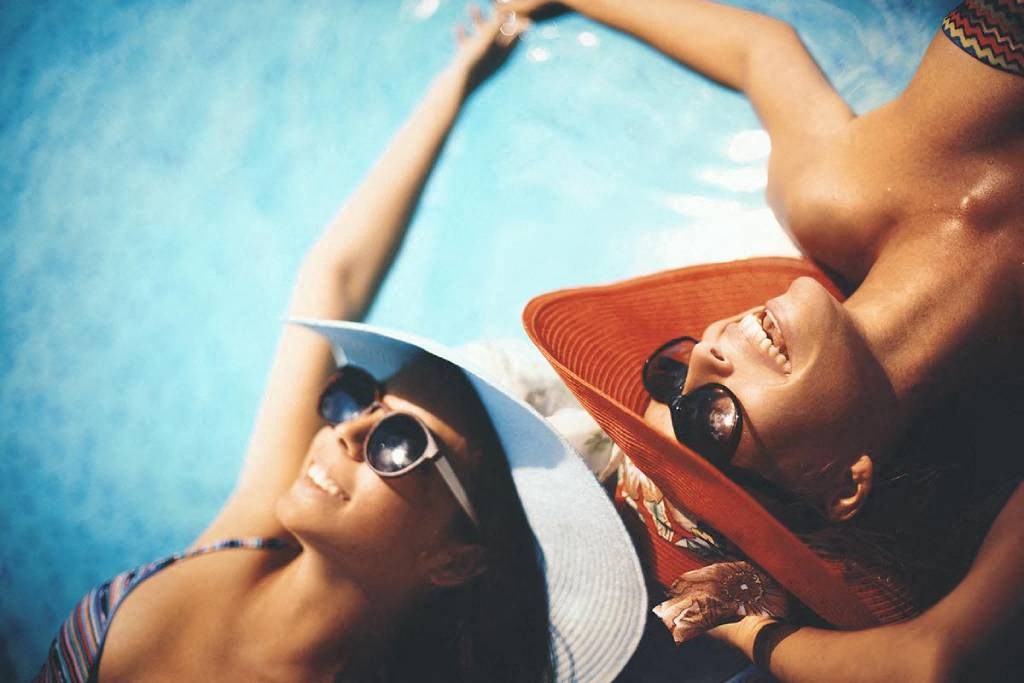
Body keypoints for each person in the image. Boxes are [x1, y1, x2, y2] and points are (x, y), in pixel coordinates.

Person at [34, 7, 647, 682]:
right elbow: (334, 274)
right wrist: (460, 77)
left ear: (455, 561)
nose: (348, 434)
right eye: (361, 400)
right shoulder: (250, 526)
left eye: (402, 443)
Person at [509, 0, 1024, 679]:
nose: (704, 353)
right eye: (708, 417)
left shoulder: (831, 191)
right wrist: (744, 629)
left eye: (674, 378)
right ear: (841, 484)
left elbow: (762, 49)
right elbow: (929, 660)